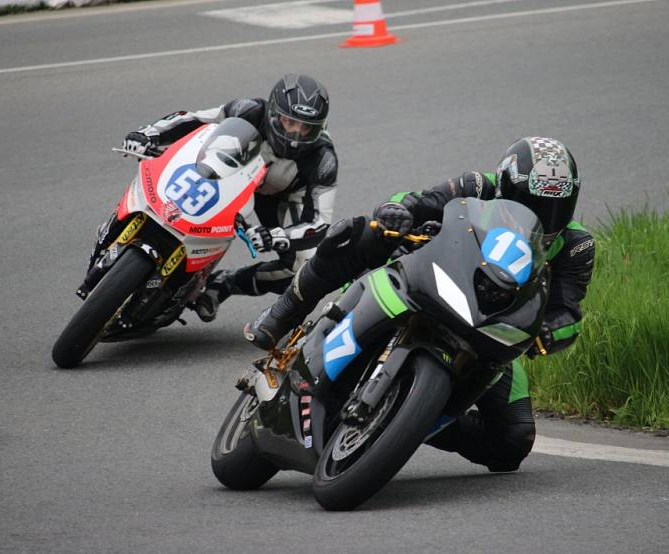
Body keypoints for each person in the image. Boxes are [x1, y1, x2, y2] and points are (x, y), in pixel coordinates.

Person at [245, 136, 595, 473]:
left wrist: (550, 332)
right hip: (426, 277)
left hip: (490, 324)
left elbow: (568, 311)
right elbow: (414, 201)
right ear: (506, 185)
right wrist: (397, 212)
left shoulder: (576, 246)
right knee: (357, 232)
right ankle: (282, 312)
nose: (542, 214)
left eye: (554, 207)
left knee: (512, 441)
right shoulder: (476, 186)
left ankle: (406, 419)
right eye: (530, 201)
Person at [121, 74, 338, 322]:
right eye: (290, 122)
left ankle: (222, 284)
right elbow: (195, 119)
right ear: (275, 113)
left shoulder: (323, 160)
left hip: (283, 195)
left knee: (301, 268)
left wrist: (277, 236)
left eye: (305, 127)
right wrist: (148, 134)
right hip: (234, 170)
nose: (296, 135)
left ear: (319, 127)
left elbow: (319, 223)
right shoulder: (249, 109)